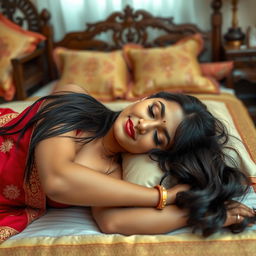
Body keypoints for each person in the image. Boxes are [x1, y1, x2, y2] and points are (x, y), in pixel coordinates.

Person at [0, 84, 255, 242]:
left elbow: (113, 222)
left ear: (158, 152)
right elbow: (57, 180)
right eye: (153, 111)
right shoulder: (72, 99)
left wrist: (201, 213)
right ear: (142, 99)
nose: (144, 125)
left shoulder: (113, 174)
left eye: (158, 136)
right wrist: (163, 196)